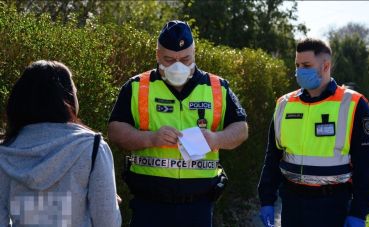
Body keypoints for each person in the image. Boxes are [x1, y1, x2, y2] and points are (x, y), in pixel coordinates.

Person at [108, 20, 248, 227]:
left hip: (198, 206)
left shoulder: (218, 87)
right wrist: (150, 138)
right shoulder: (137, 86)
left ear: (194, 54)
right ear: (157, 55)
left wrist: (216, 138)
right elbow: (115, 130)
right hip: (149, 204)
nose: (178, 66)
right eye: (169, 59)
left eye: (185, 59)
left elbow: (241, 129)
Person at [258, 38, 369, 227]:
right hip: (291, 205)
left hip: (333, 206)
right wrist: (266, 199)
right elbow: (272, 156)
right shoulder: (284, 104)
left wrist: (359, 211)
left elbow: (367, 163)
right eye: (297, 65)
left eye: (306, 65)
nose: (300, 71)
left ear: (326, 66)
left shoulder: (353, 104)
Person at [0, 60, 121, 227]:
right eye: (75, 91)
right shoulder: (92, 147)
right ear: (68, 99)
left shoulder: (6, 151)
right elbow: (107, 222)